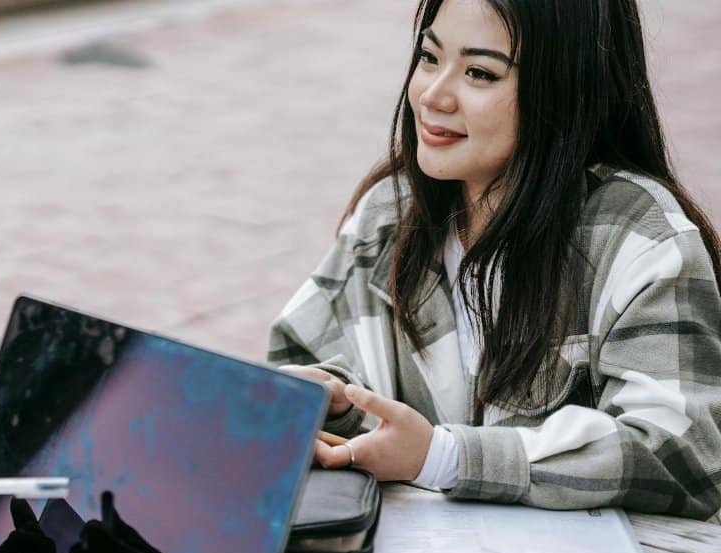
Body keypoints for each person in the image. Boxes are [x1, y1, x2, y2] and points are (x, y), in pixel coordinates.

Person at [269, 0, 721, 519]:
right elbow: (301, 354)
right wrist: (334, 406)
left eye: (480, 72)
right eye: (429, 57)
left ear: (566, 88)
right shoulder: (387, 216)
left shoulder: (640, 239)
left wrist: (448, 459)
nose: (433, 95)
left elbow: (681, 454)